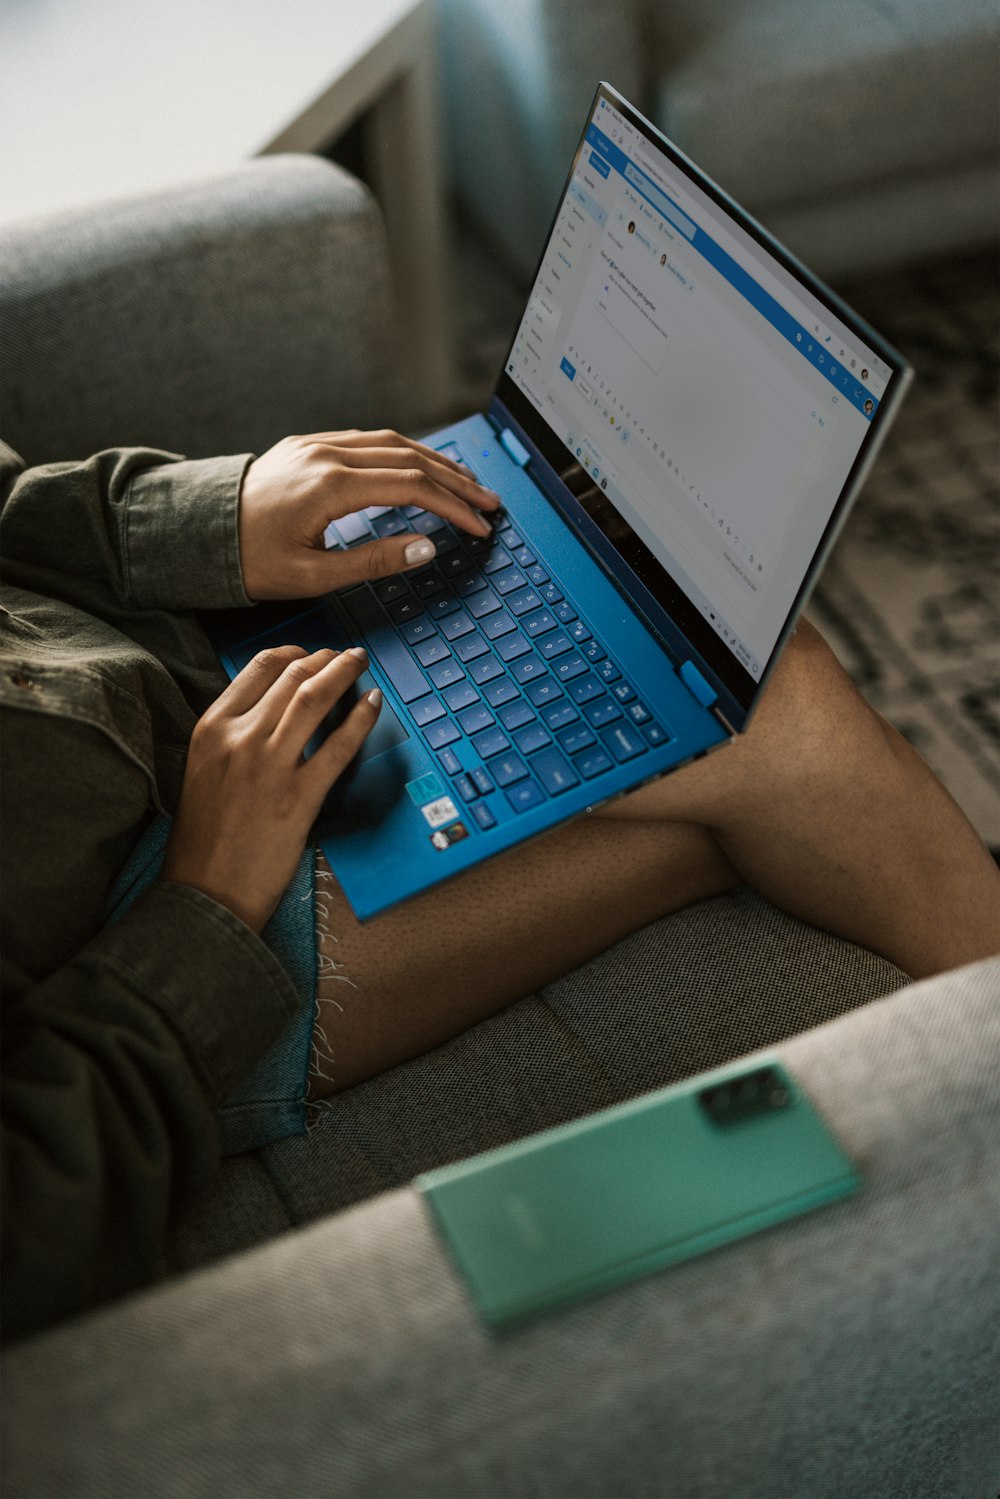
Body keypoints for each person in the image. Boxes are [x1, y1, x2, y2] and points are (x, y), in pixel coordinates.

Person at [2, 429, 997, 1343]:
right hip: (136, 936)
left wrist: (205, 514)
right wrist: (211, 894)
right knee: (765, 710)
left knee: (614, 587)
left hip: (177, 664)